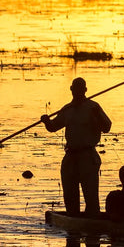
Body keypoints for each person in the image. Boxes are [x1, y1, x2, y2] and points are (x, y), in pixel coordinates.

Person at [41, 77, 112, 216]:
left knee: (91, 198)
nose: (78, 91)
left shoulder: (93, 107)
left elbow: (107, 127)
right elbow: (53, 127)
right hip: (70, 157)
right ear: (71, 89)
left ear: (85, 90)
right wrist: (46, 122)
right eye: (75, 89)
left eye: (81, 89)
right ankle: (73, 225)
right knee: (70, 196)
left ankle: (92, 227)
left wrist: (97, 114)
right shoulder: (67, 109)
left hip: (87, 156)